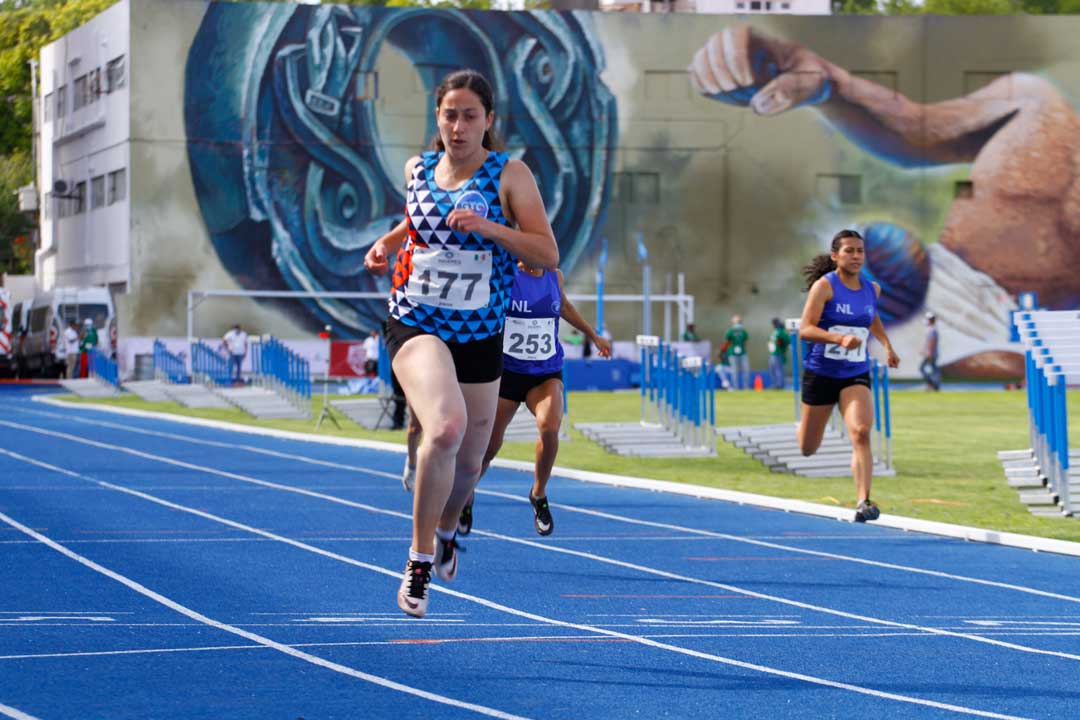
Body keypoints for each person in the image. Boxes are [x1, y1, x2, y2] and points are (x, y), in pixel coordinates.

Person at [689, 25, 1080, 378]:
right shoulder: (1036, 107)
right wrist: (826, 80)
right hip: (938, 309)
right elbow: (918, 129)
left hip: (1047, 342)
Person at [363, 69, 558, 618]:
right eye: (450, 114)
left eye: (470, 114)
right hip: (415, 320)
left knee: (471, 462)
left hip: (479, 333)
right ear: (438, 118)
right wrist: (388, 240)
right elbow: (418, 223)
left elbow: (547, 254)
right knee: (444, 427)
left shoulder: (509, 174)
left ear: (488, 120)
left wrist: (490, 228)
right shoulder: (417, 169)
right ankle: (419, 562)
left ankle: (448, 528)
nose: (458, 125)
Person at [456, 261, 612, 537]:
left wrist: (593, 335)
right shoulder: (505, 276)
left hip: (545, 371)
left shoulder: (555, 277)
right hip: (507, 373)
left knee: (550, 426)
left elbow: (563, 307)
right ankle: (465, 495)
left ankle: (538, 493)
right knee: (490, 446)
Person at [797, 229, 900, 523]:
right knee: (807, 448)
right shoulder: (824, 287)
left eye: (860, 251)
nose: (856, 256)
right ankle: (802, 424)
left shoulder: (872, 289)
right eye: (850, 251)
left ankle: (863, 501)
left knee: (861, 431)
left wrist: (887, 345)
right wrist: (838, 339)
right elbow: (805, 329)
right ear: (835, 256)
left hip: (854, 372)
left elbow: (870, 317)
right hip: (821, 373)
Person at [724, 315, 749, 389]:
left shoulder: (744, 331)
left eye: (739, 321)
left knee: (746, 370)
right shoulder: (730, 331)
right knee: (734, 371)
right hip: (732, 353)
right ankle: (735, 387)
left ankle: (746, 387)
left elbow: (746, 342)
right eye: (737, 321)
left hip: (742, 353)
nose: (738, 323)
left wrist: (742, 348)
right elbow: (727, 342)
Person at [767, 317, 790, 390]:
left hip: (778, 353)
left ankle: (780, 385)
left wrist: (781, 345)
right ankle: (774, 384)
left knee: (779, 370)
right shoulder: (775, 331)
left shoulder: (781, 331)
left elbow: (786, 341)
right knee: (772, 369)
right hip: (773, 353)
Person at [921, 312, 941, 391]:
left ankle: (932, 384)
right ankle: (934, 385)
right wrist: (924, 350)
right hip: (932, 353)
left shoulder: (933, 330)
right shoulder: (931, 330)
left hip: (932, 354)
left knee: (922, 368)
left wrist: (929, 352)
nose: (925, 321)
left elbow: (932, 342)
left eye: (927, 319)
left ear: (930, 320)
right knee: (934, 370)